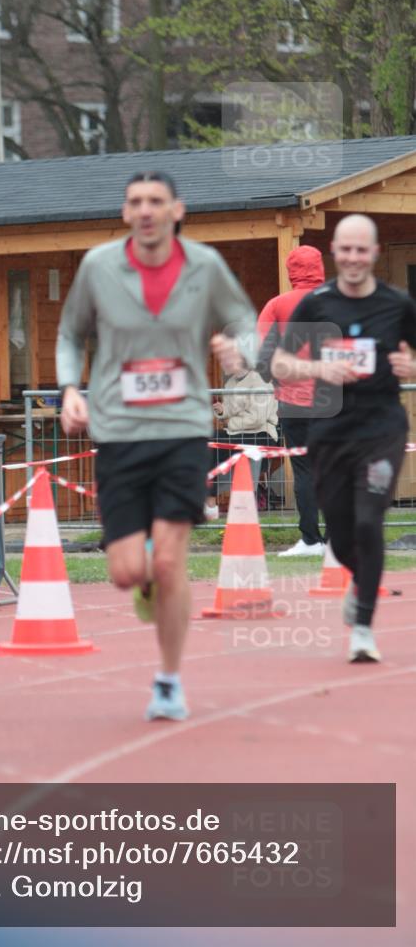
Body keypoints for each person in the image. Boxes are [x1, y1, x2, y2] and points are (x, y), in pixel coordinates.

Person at [56, 171, 256, 721]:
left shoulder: (205, 265)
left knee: (170, 563)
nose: (145, 210)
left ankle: (168, 680)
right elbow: (72, 333)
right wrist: (71, 388)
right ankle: (143, 576)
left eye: (156, 202)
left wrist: (240, 349)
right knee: (126, 572)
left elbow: (243, 318)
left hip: (182, 428)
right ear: (125, 213)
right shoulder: (99, 267)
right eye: (135, 202)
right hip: (119, 430)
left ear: (175, 211)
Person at [272, 214, 416, 663]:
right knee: (339, 531)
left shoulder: (398, 305)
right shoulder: (317, 304)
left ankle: (363, 628)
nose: (354, 258)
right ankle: (359, 581)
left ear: (373, 254)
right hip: (331, 429)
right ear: (335, 253)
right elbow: (278, 364)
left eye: (362, 250)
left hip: (381, 430)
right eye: (346, 250)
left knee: (370, 520)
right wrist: (317, 368)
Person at [258, 245, 327, 557]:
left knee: (304, 470)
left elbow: (261, 356)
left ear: (290, 271)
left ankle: (311, 540)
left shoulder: (277, 304)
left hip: (293, 400)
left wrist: (273, 379)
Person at [206, 362, 279, 513]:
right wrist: (222, 411)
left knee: (214, 443)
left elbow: (257, 419)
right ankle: (209, 499)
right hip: (238, 431)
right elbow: (231, 410)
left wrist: (229, 422)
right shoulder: (231, 383)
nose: (222, 361)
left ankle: (210, 501)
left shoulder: (260, 381)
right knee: (208, 440)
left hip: (262, 433)